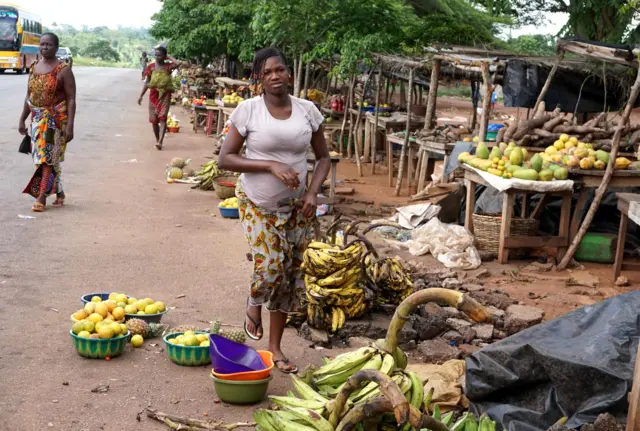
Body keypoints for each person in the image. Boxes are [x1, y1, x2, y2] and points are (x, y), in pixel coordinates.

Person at [218, 47, 330, 374]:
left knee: (288, 277)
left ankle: (276, 349)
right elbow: (226, 159)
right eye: (267, 72)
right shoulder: (248, 111)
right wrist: (269, 164)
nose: (274, 76)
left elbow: (323, 158)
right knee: (269, 265)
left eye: (279, 69)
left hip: (296, 207)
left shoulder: (308, 111)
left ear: (290, 74)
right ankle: (253, 305)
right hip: (257, 202)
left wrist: (312, 192)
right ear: (259, 79)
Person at [18, 32, 76, 212]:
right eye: (42, 44)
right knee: (44, 159)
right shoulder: (34, 67)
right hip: (36, 120)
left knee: (47, 158)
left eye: (49, 45)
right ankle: (59, 193)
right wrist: (22, 119)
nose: (45, 47)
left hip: (56, 121)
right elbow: (30, 96)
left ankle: (41, 197)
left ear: (56, 47)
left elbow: (71, 98)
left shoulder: (63, 69)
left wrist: (71, 125)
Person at [138, 46, 179, 150]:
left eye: (159, 55)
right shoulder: (151, 67)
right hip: (153, 95)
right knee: (154, 120)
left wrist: (168, 56)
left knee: (163, 118)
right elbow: (147, 82)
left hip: (165, 95)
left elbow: (178, 63)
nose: (157, 57)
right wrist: (141, 95)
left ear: (164, 56)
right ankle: (157, 140)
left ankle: (160, 141)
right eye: (156, 55)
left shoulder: (168, 66)